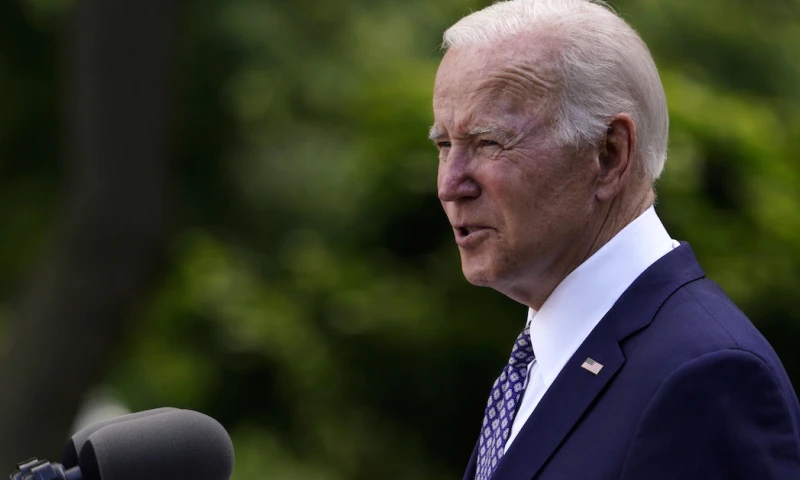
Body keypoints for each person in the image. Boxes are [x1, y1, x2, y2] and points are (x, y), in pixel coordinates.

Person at [430, 0, 800, 478]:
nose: (449, 184)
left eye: (488, 142)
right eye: (444, 146)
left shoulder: (705, 377)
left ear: (608, 155)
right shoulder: (547, 356)